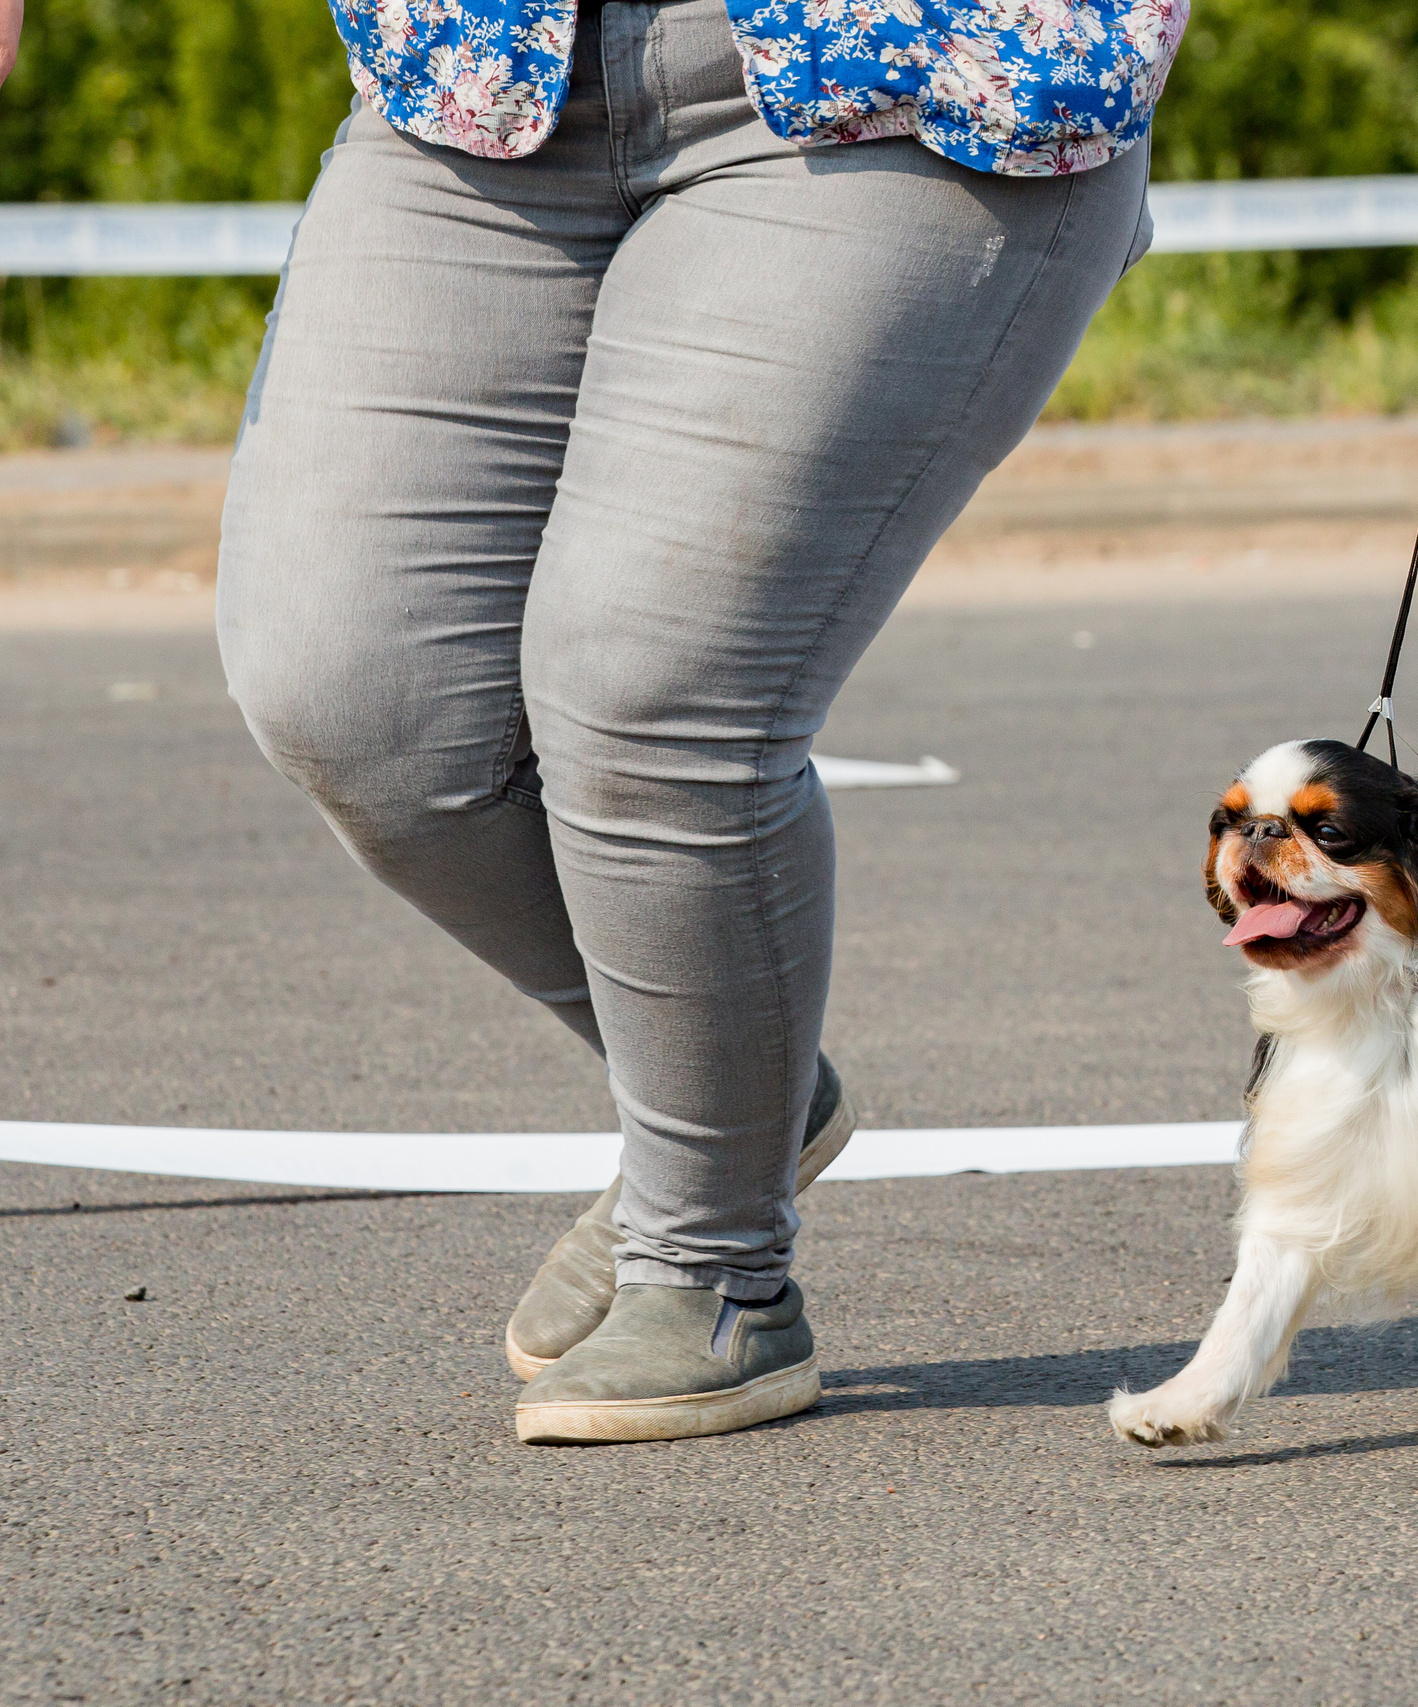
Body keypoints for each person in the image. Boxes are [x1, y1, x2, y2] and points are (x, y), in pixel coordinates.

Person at [212, 0, 1183, 1444]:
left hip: (910, 72)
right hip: (473, 70)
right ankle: (740, 1104)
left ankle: (717, 1270)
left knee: (647, 685)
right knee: (358, 698)